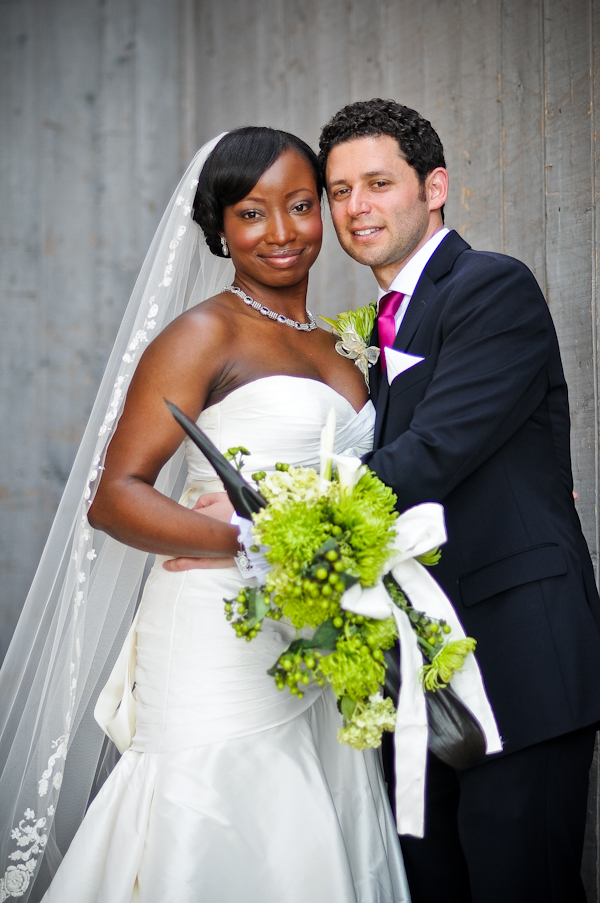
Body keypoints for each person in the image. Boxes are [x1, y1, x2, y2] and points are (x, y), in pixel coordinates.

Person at [0, 128, 409, 903]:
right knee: (215, 818)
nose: (283, 232)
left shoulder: (344, 345)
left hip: (316, 634)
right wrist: (252, 538)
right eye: (253, 214)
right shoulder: (202, 334)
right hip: (217, 626)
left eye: (299, 205)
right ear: (219, 229)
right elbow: (115, 494)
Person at [318, 98, 600, 903]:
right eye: (339, 191)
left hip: (516, 654)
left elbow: (435, 451)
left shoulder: (489, 286)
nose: (356, 207)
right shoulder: (367, 331)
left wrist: (279, 521)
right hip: (414, 673)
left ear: (434, 186)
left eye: (377, 183)